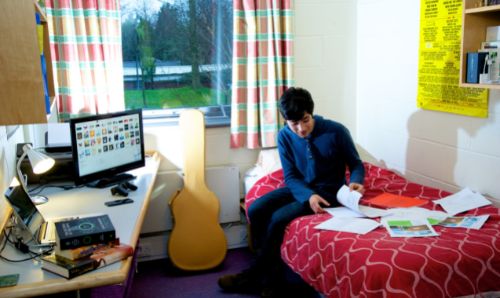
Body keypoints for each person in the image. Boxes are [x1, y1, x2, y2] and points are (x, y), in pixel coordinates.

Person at [218, 87, 365, 297]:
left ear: (311, 113)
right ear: (285, 120)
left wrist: (357, 181)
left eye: (305, 120)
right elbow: (291, 177)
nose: (301, 129)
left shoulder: (336, 131)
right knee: (257, 208)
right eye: (294, 123)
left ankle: (253, 277)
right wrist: (307, 195)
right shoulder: (285, 136)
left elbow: (356, 164)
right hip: (301, 189)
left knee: (278, 219)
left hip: (329, 193)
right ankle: (272, 277)